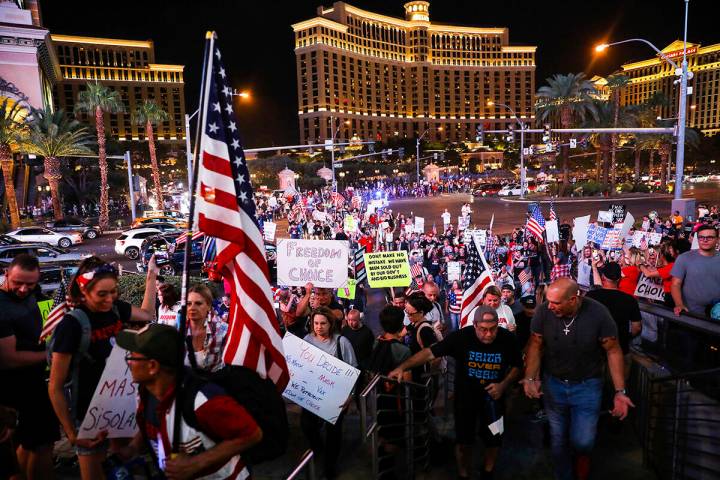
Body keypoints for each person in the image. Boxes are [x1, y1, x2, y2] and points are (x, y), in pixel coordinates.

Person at [48, 256, 157, 480]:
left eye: (113, 292)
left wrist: (151, 276)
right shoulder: (72, 325)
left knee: (124, 470)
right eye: (102, 294)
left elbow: (147, 314)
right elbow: (55, 386)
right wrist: (71, 433)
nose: (109, 299)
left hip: (120, 407)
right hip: (89, 414)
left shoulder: (115, 310)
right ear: (84, 291)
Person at [389, 307, 522, 480]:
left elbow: (518, 366)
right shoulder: (462, 337)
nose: (488, 334)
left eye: (493, 329)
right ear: (474, 325)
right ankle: (463, 473)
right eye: (483, 329)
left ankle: (488, 471)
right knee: (463, 441)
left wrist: (503, 384)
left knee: (494, 439)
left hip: (494, 399)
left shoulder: (507, 339)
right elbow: (430, 352)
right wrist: (402, 367)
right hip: (465, 399)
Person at [114, 324, 262, 479]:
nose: (129, 362)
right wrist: (132, 448)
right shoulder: (145, 392)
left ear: (152, 366)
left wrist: (196, 463)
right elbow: (156, 423)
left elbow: (252, 433)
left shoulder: (203, 400)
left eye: (132, 356)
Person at [523, 278, 634, 480]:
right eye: (548, 301)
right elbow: (535, 344)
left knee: (583, 441)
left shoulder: (598, 314)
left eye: (556, 303)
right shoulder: (543, 312)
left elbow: (613, 351)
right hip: (554, 383)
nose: (550, 306)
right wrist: (530, 377)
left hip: (587, 385)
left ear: (573, 300)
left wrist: (620, 391)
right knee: (558, 441)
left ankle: (582, 458)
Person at [0, 254, 58, 479]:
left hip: (32, 384)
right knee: (35, 445)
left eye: (30, 284)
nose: (24, 289)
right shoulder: (2, 308)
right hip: (12, 390)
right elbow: (8, 358)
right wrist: (50, 355)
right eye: (18, 283)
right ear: (7, 275)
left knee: (36, 444)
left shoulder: (31, 295)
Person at [300, 307, 357, 479]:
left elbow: (353, 368)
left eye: (322, 323)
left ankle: (330, 465)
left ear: (330, 324)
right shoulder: (306, 340)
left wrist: (350, 395)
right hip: (311, 394)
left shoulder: (342, 342)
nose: (318, 327)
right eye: (315, 323)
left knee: (333, 432)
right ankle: (319, 452)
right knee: (307, 425)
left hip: (336, 396)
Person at [367, 305, 412, 479]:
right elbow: (408, 381)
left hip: (377, 398)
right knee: (394, 438)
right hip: (396, 402)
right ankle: (387, 471)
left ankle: (381, 464)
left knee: (382, 434)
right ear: (401, 324)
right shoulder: (403, 351)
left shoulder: (377, 341)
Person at [585, 263, 642, 375]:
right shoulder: (629, 300)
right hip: (621, 349)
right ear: (619, 279)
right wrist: (626, 337)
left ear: (603, 277)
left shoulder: (591, 296)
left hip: (595, 351)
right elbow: (637, 327)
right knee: (619, 388)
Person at [671, 225, 720, 317]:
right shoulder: (684, 258)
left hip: (716, 316)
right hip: (690, 314)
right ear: (697, 239)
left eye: (710, 237)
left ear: (717, 239)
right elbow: (675, 284)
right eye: (701, 237)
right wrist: (679, 304)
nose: (705, 240)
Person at [186, 284, 227, 372]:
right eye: (188, 303)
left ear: (208, 306)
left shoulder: (222, 330)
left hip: (213, 382)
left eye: (198, 303)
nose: (192, 307)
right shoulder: (178, 330)